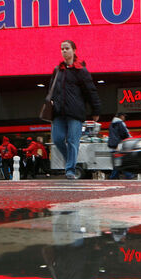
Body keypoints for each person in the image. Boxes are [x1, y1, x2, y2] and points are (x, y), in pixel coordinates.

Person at [50, 40, 101, 180]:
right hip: (58, 112)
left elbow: (91, 91)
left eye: (67, 48)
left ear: (74, 50)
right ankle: (70, 161)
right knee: (58, 139)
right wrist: (52, 100)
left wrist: (96, 110)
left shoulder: (81, 71)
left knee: (73, 141)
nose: (64, 51)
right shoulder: (57, 70)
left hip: (75, 113)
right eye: (62, 49)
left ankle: (70, 170)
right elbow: (52, 89)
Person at [108, 112, 134, 179]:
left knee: (117, 162)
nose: (124, 117)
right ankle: (128, 175)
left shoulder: (112, 124)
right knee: (122, 161)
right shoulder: (120, 123)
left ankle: (114, 176)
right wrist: (130, 140)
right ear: (120, 116)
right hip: (119, 145)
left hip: (112, 146)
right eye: (123, 116)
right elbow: (125, 134)